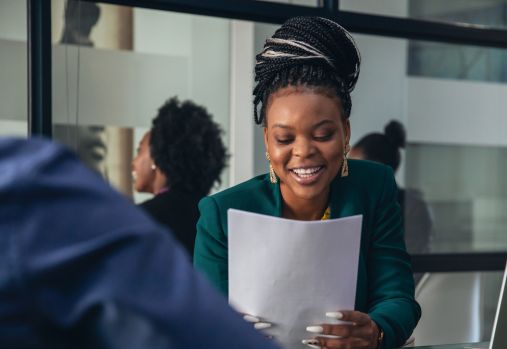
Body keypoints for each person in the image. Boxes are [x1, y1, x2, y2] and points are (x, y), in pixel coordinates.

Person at [194, 16, 421, 349]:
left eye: (322, 134)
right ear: (267, 142)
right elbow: (199, 321)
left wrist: (375, 331)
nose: (303, 151)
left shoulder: (373, 186)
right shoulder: (222, 214)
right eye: (285, 138)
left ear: (345, 133)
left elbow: (397, 295)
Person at [0, 136, 279, 349]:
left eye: (139, 151)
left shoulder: (25, 191)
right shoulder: (29, 181)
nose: (133, 162)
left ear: (158, 158)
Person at [132, 97, 227, 258]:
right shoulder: (217, 218)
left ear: (156, 154)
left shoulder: (142, 220)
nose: (134, 162)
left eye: (139, 150)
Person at [348, 120, 433, 257]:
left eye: (358, 170)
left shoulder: (412, 208)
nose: (350, 176)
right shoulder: (354, 203)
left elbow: (410, 264)